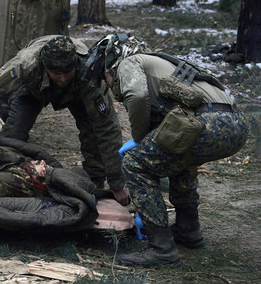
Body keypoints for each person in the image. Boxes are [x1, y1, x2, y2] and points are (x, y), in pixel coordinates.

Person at [84, 33, 249, 267]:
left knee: (135, 164)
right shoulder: (161, 64)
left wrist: (139, 138)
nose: (109, 84)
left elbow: (138, 95)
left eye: (107, 78)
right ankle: (188, 230)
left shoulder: (130, 62)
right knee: (177, 157)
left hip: (206, 123)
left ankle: (161, 248)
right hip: (236, 123)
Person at [0, 35, 130, 205]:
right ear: (45, 66)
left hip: (77, 91)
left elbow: (107, 130)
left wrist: (117, 183)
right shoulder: (26, 63)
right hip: (34, 89)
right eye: (56, 73)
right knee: (14, 134)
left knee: (92, 134)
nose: (62, 78)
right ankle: (9, 178)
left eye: (67, 71)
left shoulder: (90, 74)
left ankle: (93, 184)